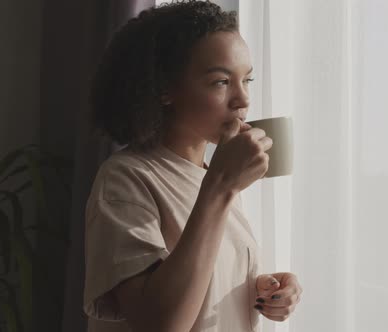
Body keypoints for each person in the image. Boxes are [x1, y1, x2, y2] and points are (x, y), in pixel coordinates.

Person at [82, 1, 303, 331]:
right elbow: (161, 324)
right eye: (220, 82)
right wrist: (221, 187)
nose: (243, 99)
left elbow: (198, 282)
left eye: (248, 80)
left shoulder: (209, 176)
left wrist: (259, 290)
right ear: (165, 89)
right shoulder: (125, 179)